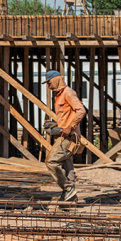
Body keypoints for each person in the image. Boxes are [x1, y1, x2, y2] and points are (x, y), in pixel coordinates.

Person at [42, 70, 86, 202]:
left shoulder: (68, 93)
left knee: (51, 161)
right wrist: (57, 125)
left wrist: (69, 126)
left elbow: (81, 110)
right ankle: (70, 197)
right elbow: (67, 114)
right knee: (67, 166)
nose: (49, 86)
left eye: (50, 83)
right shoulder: (59, 95)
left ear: (56, 80)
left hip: (69, 136)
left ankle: (67, 189)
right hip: (64, 134)